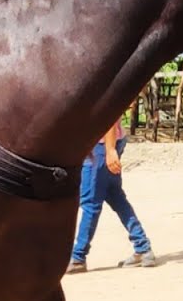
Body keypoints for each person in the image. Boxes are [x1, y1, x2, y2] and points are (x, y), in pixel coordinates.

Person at [65, 116, 156, 274]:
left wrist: (110, 150)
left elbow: (109, 115)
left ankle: (78, 257)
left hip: (101, 145)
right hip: (106, 142)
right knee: (115, 196)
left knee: (90, 202)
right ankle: (142, 247)